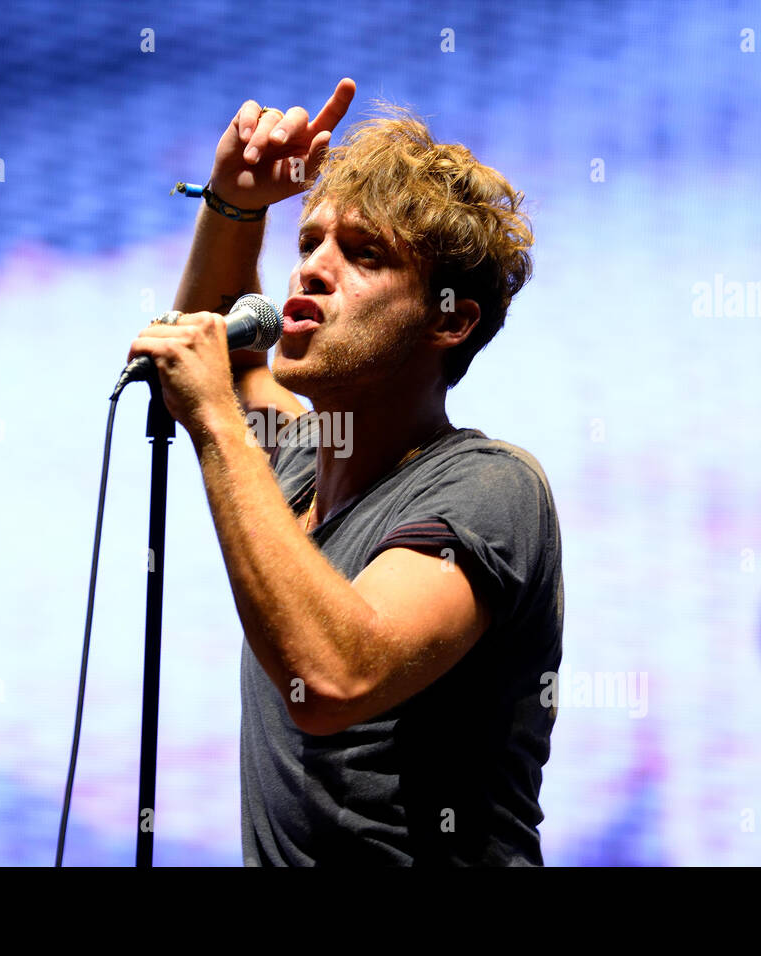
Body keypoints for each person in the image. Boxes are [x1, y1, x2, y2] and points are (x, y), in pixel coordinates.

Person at [127, 78, 563, 866]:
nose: (310, 273)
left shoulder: (491, 487)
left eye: (363, 254)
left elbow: (335, 677)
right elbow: (228, 364)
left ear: (451, 317)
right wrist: (234, 203)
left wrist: (220, 422)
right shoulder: (296, 471)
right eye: (307, 244)